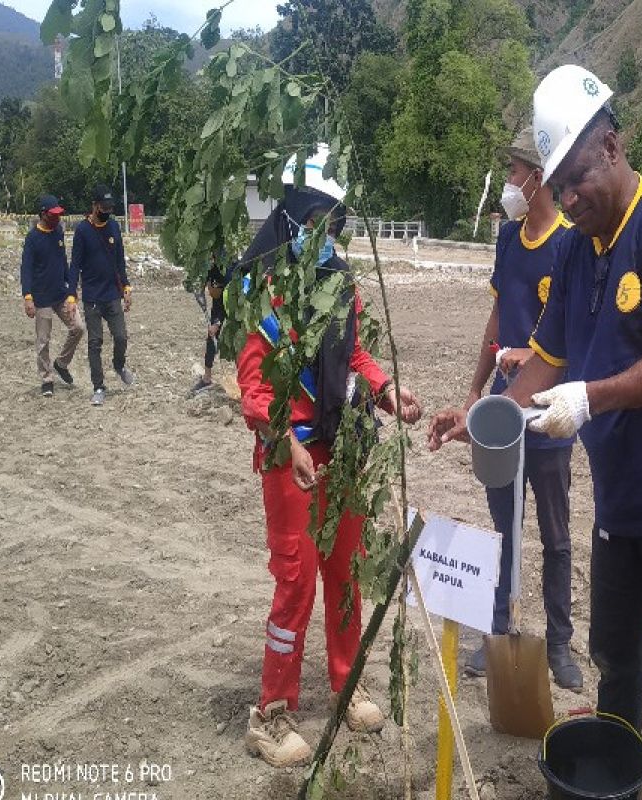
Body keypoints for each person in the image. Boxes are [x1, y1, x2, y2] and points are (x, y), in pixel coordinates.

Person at [428, 66, 642, 800]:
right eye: (557, 187)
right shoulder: (574, 246)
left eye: (576, 180)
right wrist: (486, 411)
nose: (568, 200)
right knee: (616, 667)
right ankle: (614, 786)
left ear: (611, 145)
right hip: (621, 507)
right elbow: (547, 354)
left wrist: (592, 400)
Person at [237, 149, 422, 768]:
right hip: (290, 453)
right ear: (292, 213)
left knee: (347, 565)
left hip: (342, 447)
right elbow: (254, 387)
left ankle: (348, 681)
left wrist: (386, 388)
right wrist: (286, 439)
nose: (329, 232)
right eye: (318, 217)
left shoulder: (342, 282)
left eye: (336, 220)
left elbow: (358, 357)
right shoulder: (265, 285)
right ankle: (273, 712)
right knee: (298, 576)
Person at [441, 127, 582, 689]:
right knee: (504, 528)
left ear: (538, 177)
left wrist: (536, 355)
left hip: (546, 412)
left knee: (554, 534)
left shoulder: (570, 243)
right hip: (503, 413)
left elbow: (572, 334)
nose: (508, 183)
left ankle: (559, 646)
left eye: (513, 171)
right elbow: (496, 322)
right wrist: (476, 390)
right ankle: (496, 633)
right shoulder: (507, 240)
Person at [70, 184, 133, 406]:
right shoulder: (82, 231)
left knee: (121, 336)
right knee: (95, 342)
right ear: (94, 206)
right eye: (103, 207)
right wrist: (71, 296)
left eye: (109, 207)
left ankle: (119, 364)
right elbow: (75, 265)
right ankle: (98, 386)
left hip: (112, 294)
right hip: (92, 296)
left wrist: (126, 287)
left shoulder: (114, 227)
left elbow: (119, 261)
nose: (106, 211)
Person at [20, 193, 84, 397]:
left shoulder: (58, 232)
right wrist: (27, 297)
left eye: (59, 214)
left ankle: (61, 363)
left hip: (61, 293)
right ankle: (46, 378)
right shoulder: (32, 238)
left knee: (78, 328)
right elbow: (26, 269)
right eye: (53, 214)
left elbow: (63, 263)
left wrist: (72, 290)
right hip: (41, 298)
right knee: (43, 340)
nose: (58, 218)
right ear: (43, 214)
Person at [190, 253, 228, 397]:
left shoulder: (226, 271)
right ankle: (207, 378)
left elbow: (226, 300)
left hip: (234, 304)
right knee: (210, 339)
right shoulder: (209, 268)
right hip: (218, 304)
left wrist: (217, 323)